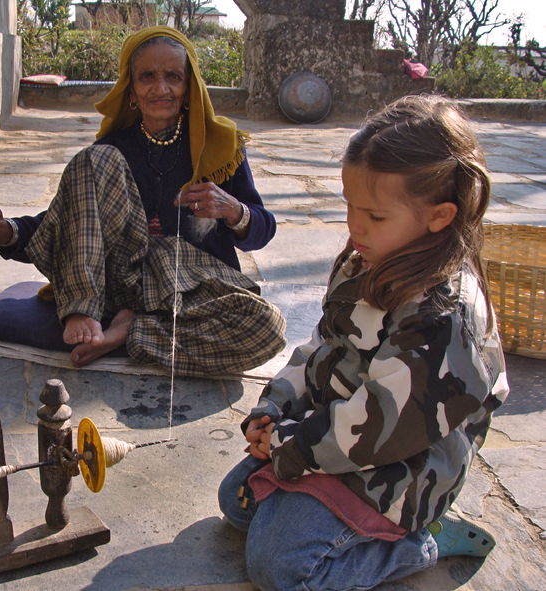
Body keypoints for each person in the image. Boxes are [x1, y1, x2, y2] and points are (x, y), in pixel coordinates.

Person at [217, 95, 509, 591]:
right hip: (338, 436)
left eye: (374, 216)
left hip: (405, 465)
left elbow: (383, 423)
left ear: (438, 217)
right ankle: (328, 514)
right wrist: (275, 406)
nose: (355, 227)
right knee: (235, 501)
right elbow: (320, 348)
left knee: (281, 567)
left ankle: (422, 543)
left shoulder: (443, 316)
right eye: (350, 206)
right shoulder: (364, 261)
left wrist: (290, 445)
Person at [0, 26, 286, 377]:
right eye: (147, 77)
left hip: (191, 285)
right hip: (119, 283)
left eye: (173, 76)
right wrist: (4, 230)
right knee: (93, 160)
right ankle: (82, 308)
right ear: (131, 92)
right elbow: (70, 223)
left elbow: (262, 231)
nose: (160, 88)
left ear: (189, 88)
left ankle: (131, 332)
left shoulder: (223, 148)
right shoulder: (110, 151)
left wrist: (235, 211)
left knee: (268, 327)